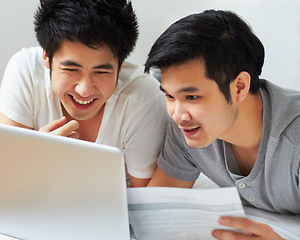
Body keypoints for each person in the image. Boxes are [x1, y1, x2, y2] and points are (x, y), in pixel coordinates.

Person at [144, 9, 300, 239]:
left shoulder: (294, 141)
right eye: (169, 96)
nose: (177, 114)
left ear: (239, 87)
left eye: (192, 97)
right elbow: (153, 213)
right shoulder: (188, 127)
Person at [0, 0, 169, 187]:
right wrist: (38, 158)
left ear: (120, 66)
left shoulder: (144, 98)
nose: (84, 89)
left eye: (101, 72)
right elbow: (6, 177)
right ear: (46, 57)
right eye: (71, 69)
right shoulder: (26, 71)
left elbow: (144, 198)